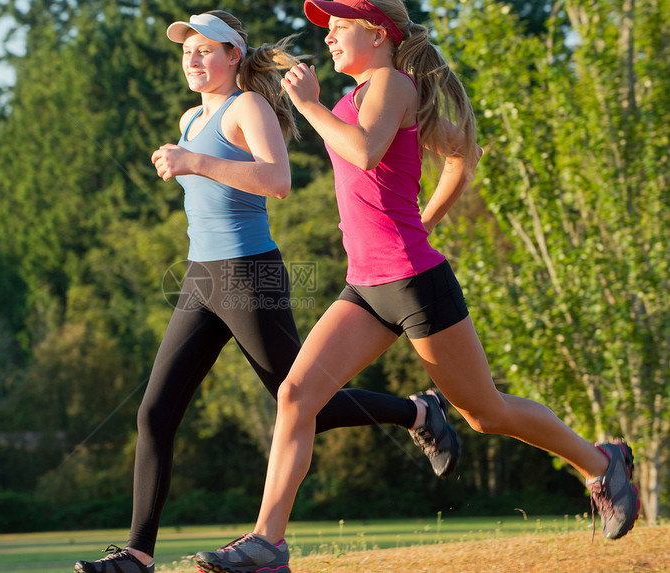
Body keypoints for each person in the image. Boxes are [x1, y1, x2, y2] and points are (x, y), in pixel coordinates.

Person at [193, 1, 641, 572]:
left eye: (338, 28)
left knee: (484, 413)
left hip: (414, 281)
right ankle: (267, 545)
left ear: (377, 33)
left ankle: (601, 463)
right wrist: (418, 216)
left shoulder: (391, 84)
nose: (327, 40)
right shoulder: (358, 96)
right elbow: (461, 151)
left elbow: (364, 150)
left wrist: (308, 107)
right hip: (366, 286)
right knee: (296, 396)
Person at [73, 10, 461, 573]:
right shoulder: (189, 118)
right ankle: (137, 553)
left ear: (234, 56)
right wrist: (188, 155)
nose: (194, 58)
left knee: (302, 403)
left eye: (207, 49)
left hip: (248, 273)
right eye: (188, 50)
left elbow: (277, 181)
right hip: (201, 276)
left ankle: (416, 412)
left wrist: (194, 162)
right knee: (155, 412)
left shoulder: (248, 107)